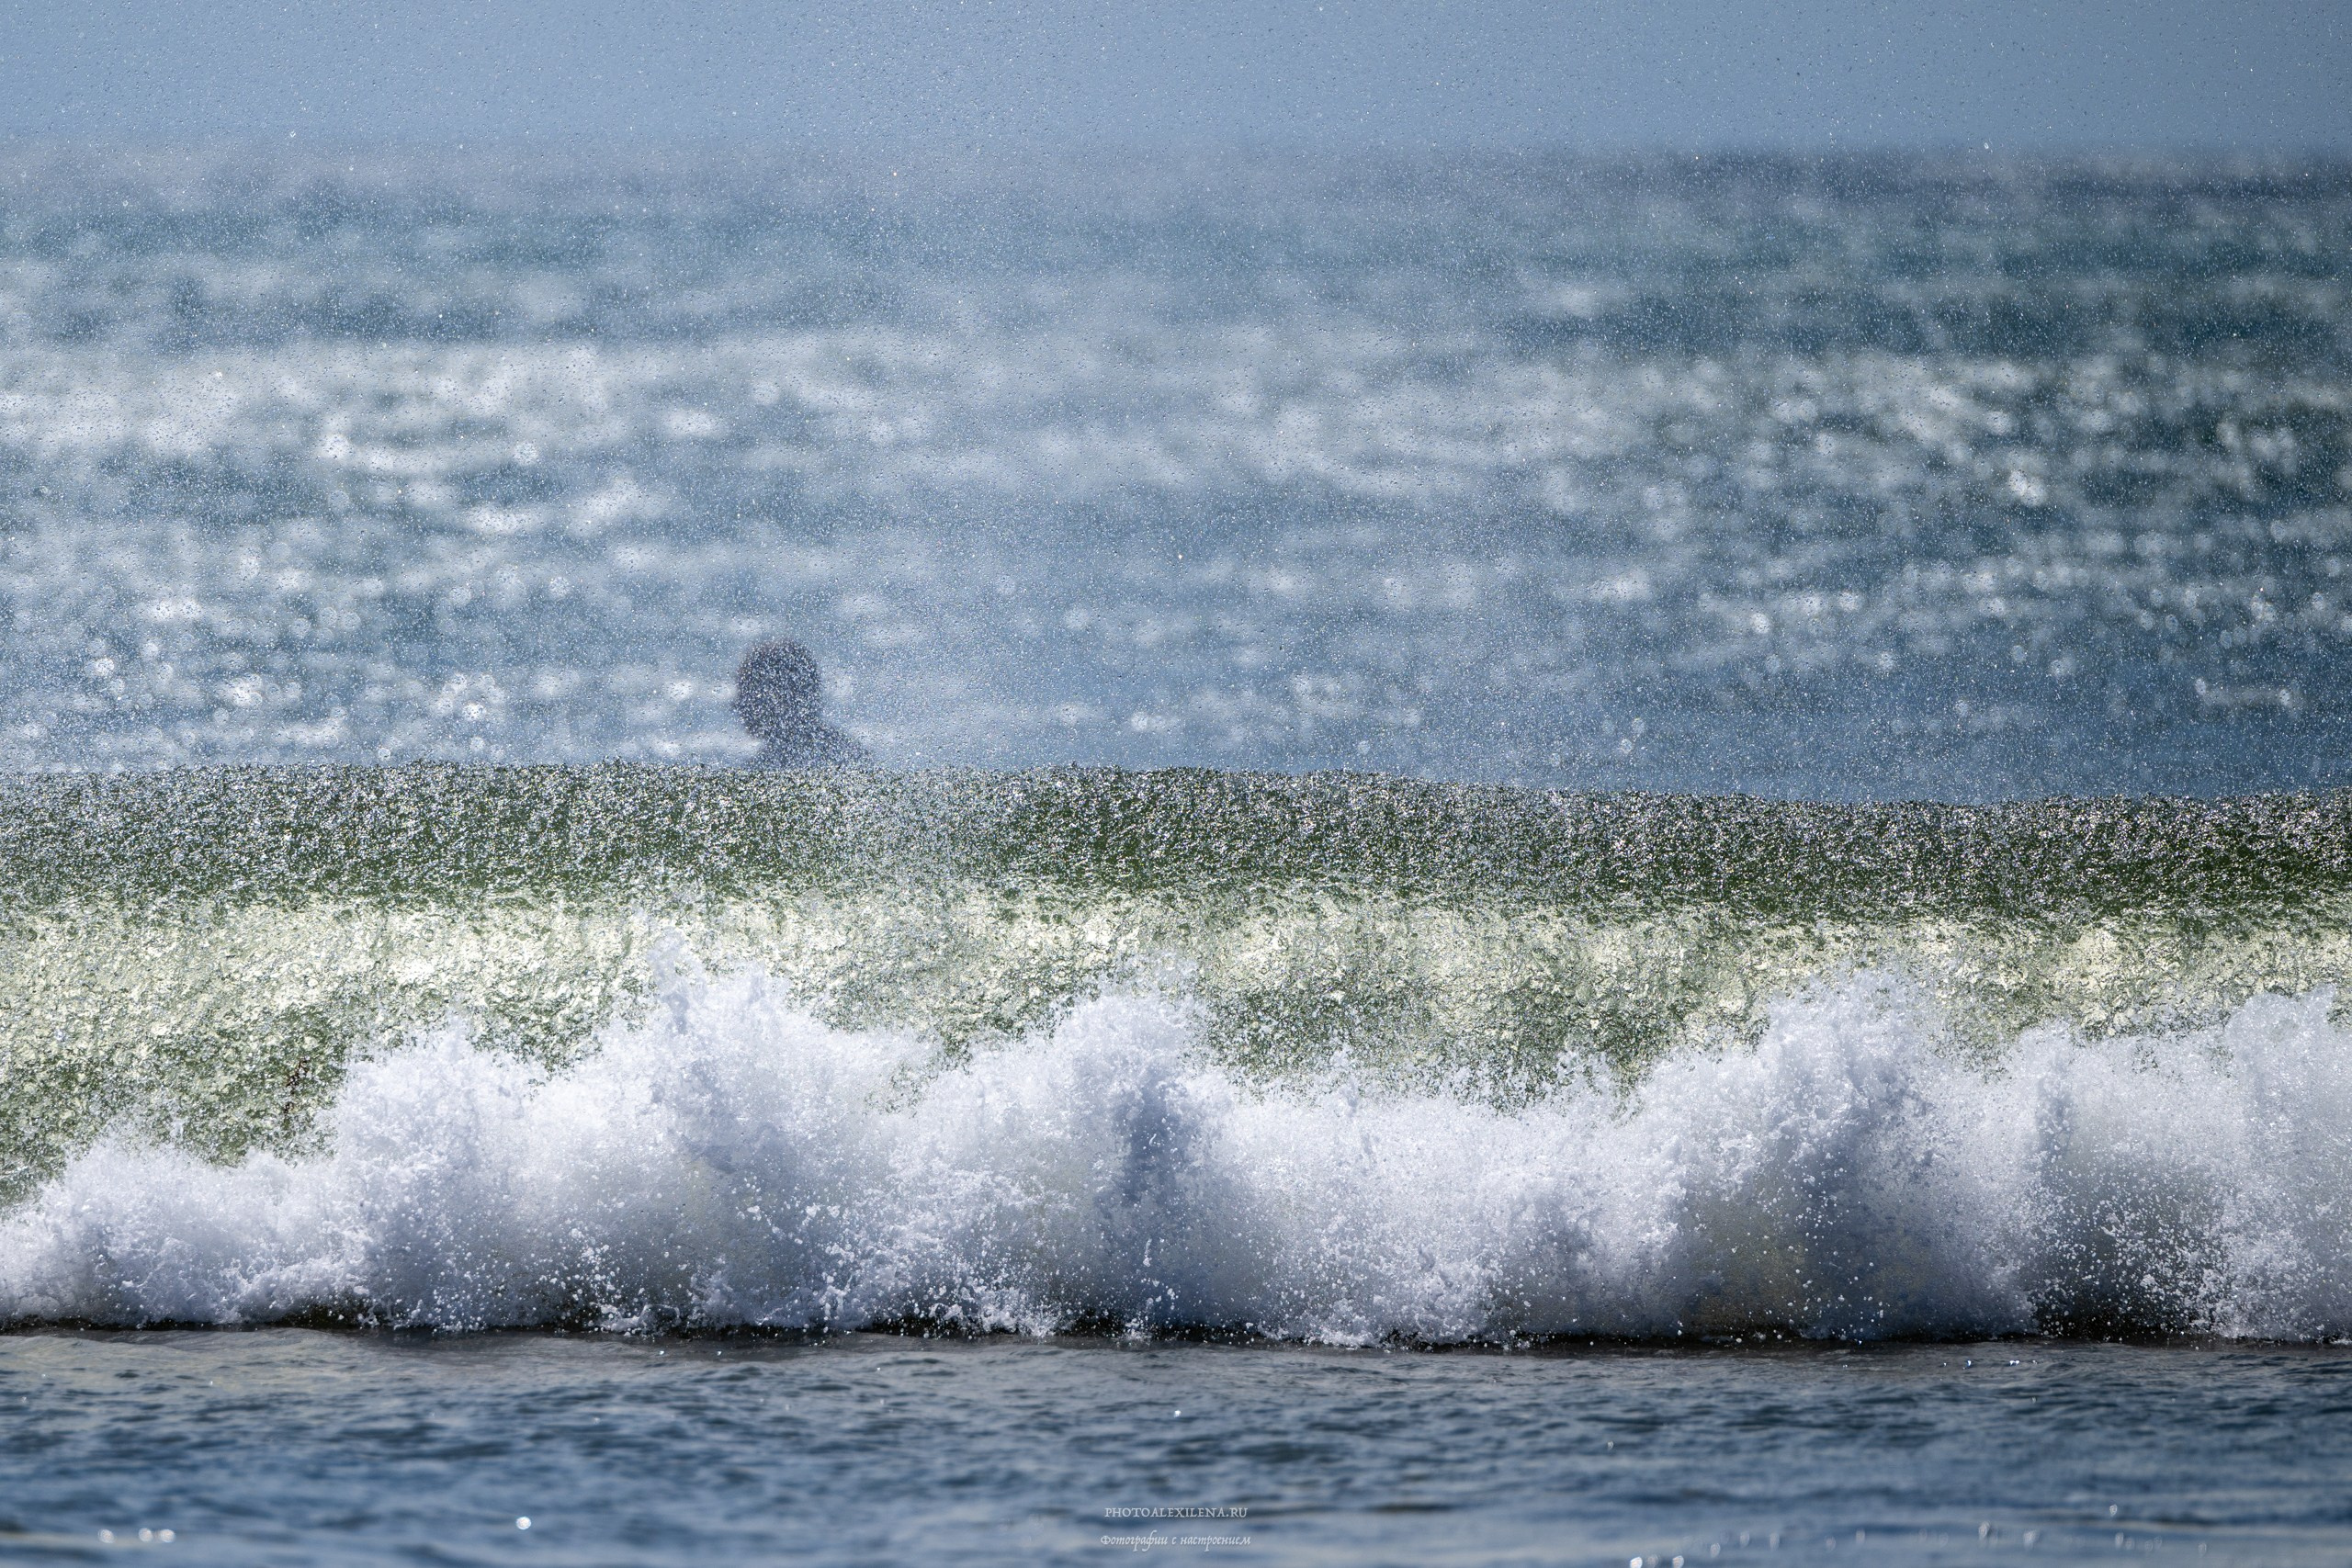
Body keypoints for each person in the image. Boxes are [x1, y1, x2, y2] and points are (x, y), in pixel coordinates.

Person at [733, 637, 871, 769]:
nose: (736, 705)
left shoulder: (768, 767)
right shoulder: (847, 751)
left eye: (747, 693)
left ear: (781, 696)